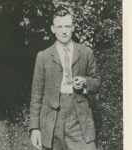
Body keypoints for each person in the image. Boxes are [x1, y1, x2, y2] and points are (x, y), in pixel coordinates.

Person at [29, 5, 101, 150]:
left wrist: (85, 82)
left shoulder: (86, 52)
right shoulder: (43, 56)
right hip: (52, 120)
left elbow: (96, 82)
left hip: (79, 119)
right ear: (52, 29)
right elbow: (36, 96)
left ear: (73, 27)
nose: (63, 31)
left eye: (67, 26)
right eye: (59, 26)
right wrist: (35, 128)